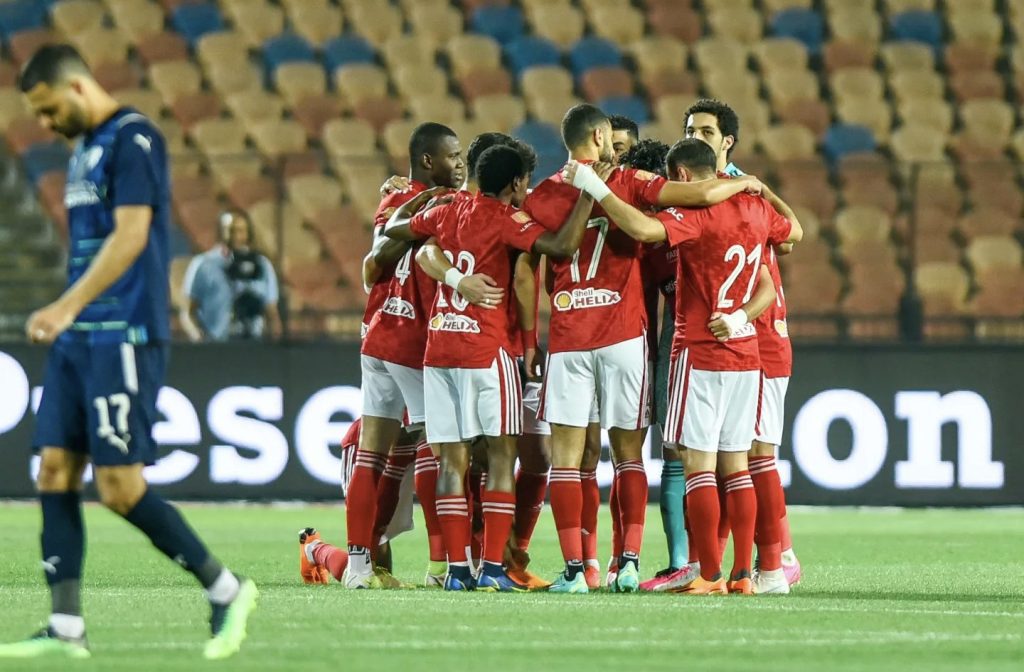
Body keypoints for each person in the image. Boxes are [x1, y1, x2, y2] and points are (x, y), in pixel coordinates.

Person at [0, 45, 256, 661]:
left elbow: (133, 236)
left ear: (80, 87)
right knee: (53, 472)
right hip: (80, 338)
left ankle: (225, 588)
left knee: (119, 487)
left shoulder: (133, 138)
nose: (46, 123)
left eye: (50, 107)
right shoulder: (83, 148)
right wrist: (70, 315)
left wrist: (63, 305)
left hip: (124, 333)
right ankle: (66, 627)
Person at [524, 103, 761, 594]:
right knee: (629, 456)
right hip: (625, 336)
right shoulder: (631, 182)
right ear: (597, 134)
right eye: (610, 136)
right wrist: (743, 182)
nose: (616, 145)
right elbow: (700, 192)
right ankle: (627, 562)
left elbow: (520, 249)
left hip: (569, 336)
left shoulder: (543, 194)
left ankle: (576, 570)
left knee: (567, 459)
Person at [564, 138, 802, 594]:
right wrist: (740, 316)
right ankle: (745, 576)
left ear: (686, 177)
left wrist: (596, 187)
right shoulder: (754, 208)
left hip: (700, 349)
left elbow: (643, 230)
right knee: (737, 465)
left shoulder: (695, 215)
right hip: (746, 351)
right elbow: (782, 252)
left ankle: (709, 574)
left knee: (699, 466)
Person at [385, 143, 598, 591]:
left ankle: (457, 571)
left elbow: (398, 228)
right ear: (517, 183)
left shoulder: (448, 210)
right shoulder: (506, 219)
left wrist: (419, 200)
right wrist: (587, 194)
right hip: (486, 349)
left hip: (440, 348)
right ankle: (494, 569)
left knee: (451, 461)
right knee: (503, 455)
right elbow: (561, 245)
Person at [346, 122, 472, 589]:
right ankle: (441, 566)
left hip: (377, 332)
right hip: (413, 337)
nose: (459, 165)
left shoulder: (392, 200)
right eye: (453, 156)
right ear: (427, 160)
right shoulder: (445, 204)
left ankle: (358, 566)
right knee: (438, 451)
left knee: (371, 455)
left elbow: (375, 261)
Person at [684, 98, 802, 589]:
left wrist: (758, 186)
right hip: (732, 336)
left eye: (707, 131)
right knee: (734, 457)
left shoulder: (740, 191)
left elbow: (793, 235)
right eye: (692, 129)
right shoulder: (704, 189)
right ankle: (734, 568)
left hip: (760, 336)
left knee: (753, 454)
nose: (698, 136)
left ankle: (777, 558)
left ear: (727, 141)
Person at [179, 209, 280, 342]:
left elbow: (271, 312)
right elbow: (188, 312)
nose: (236, 236)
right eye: (230, 230)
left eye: (240, 230)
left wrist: (274, 344)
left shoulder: (262, 265)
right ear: (221, 232)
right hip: (216, 346)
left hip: (254, 346)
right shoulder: (203, 265)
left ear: (248, 233)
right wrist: (199, 338)